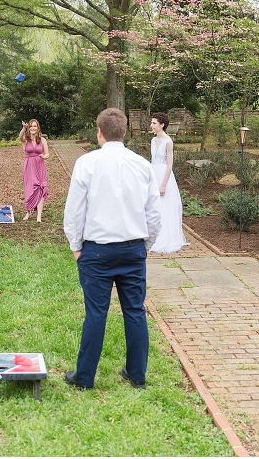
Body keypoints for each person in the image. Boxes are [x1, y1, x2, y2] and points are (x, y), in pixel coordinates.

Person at [63, 108, 161, 390]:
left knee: (96, 312)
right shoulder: (142, 165)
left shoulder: (87, 163)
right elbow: (153, 212)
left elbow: (75, 210)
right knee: (134, 310)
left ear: (99, 132)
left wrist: (75, 244)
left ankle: (85, 377)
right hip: (132, 249)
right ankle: (137, 375)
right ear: (125, 132)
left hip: (97, 251)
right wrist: (147, 244)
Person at [149, 112, 189, 253]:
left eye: (154, 123)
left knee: (164, 205)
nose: (152, 125)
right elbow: (152, 160)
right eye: (152, 123)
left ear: (162, 125)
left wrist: (164, 184)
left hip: (164, 176)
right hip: (153, 174)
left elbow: (169, 165)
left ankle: (164, 237)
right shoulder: (153, 141)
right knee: (152, 205)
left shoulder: (168, 141)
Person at [18, 119, 50, 222]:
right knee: (29, 189)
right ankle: (28, 212)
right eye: (31, 126)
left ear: (38, 128)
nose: (33, 128)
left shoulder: (43, 140)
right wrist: (24, 128)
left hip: (40, 165)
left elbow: (47, 154)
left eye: (35, 126)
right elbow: (20, 137)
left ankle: (39, 216)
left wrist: (44, 156)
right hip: (29, 166)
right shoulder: (25, 139)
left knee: (40, 189)